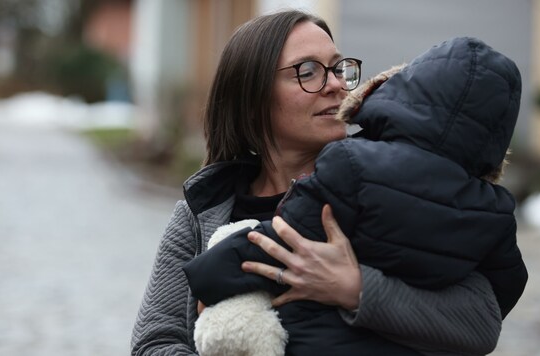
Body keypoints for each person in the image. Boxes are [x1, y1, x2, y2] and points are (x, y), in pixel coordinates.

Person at [131, 10, 506, 356]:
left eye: (339, 68)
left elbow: (479, 322)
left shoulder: (393, 188)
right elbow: (154, 342)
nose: (337, 84)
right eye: (308, 71)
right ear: (251, 98)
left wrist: (356, 289)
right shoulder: (202, 213)